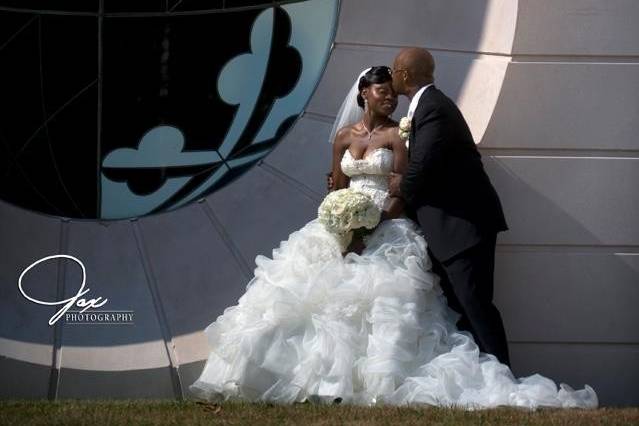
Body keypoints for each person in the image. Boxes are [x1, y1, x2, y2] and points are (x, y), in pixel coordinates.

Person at [189, 66, 597, 408]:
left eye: (393, 94)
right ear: (364, 94)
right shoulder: (345, 137)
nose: (390, 99)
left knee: (384, 309)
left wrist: (371, 226)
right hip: (341, 228)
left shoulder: (398, 136)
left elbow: (403, 188)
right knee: (304, 304)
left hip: (388, 226)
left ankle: (375, 387)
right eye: (382, 92)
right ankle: (308, 385)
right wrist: (341, 222)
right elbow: (334, 187)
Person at [387, 47, 511, 366]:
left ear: (404, 74)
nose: (391, 76)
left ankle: (503, 377)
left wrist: (399, 185)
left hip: (463, 227)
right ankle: (483, 378)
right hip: (447, 231)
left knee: (476, 306)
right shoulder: (426, 106)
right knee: (463, 310)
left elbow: (422, 166)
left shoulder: (433, 108)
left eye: (394, 70)